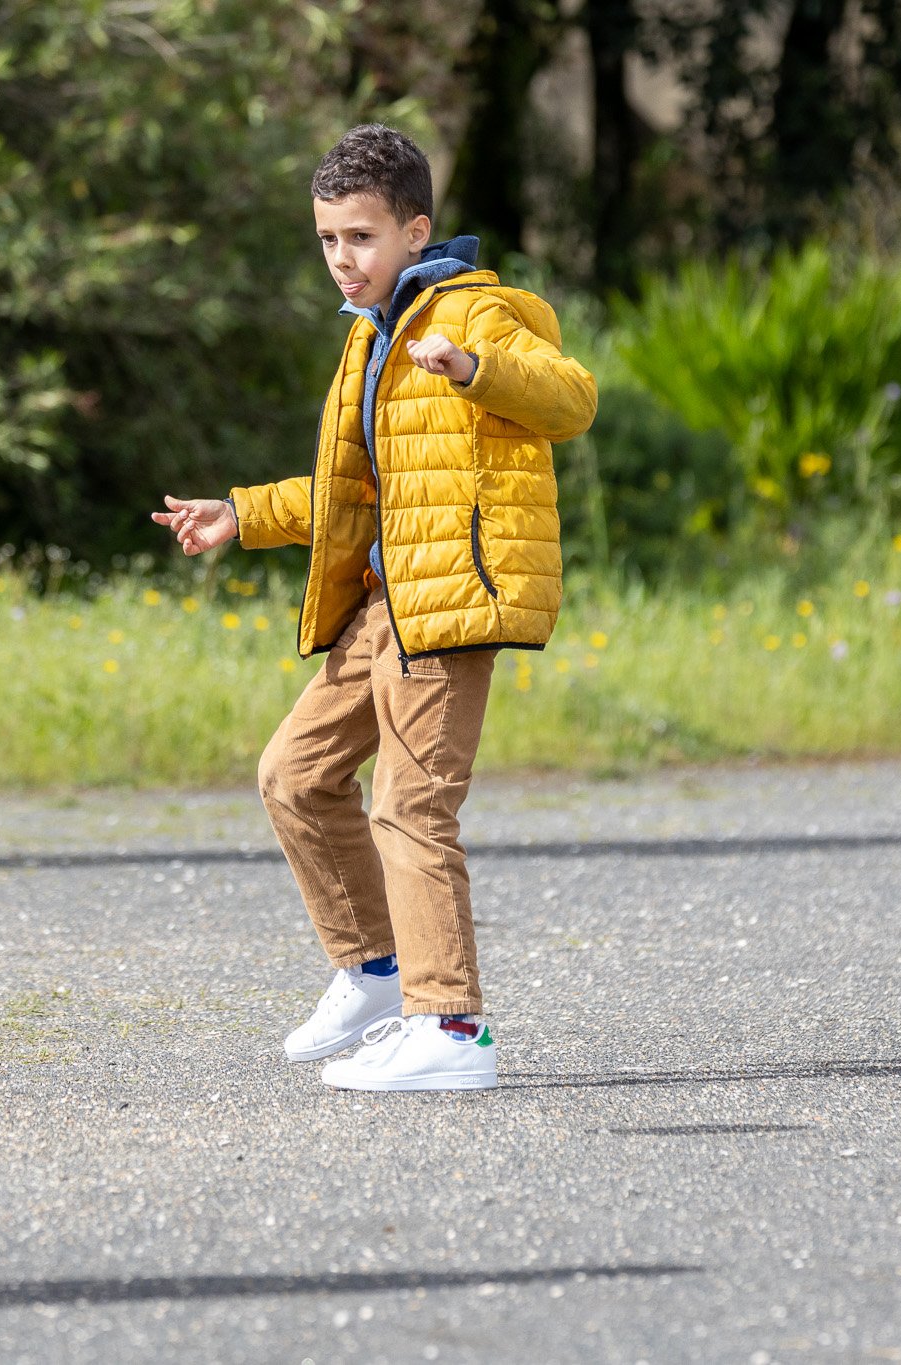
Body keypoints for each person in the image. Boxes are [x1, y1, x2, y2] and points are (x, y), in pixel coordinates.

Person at [152, 124, 595, 1092]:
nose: (339, 259)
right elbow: (352, 494)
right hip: (383, 608)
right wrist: (240, 514)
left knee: (409, 803)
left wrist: (475, 370)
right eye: (325, 240)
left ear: (413, 229)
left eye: (359, 237)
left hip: (452, 607)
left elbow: (570, 398)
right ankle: (372, 968)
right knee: (294, 774)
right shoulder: (370, 340)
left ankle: (450, 1029)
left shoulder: (473, 315)